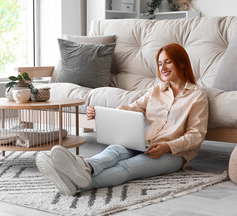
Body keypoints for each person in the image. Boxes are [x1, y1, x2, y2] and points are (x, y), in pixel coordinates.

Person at [35, 43, 209, 196]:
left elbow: (196, 135)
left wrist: (167, 147)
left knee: (126, 167)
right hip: (142, 142)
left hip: (172, 154)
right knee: (114, 152)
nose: (162, 67)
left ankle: (73, 181)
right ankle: (82, 167)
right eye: (160, 63)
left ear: (181, 62)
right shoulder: (155, 91)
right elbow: (131, 109)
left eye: (168, 61)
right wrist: (102, 113)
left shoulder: (197, 96)